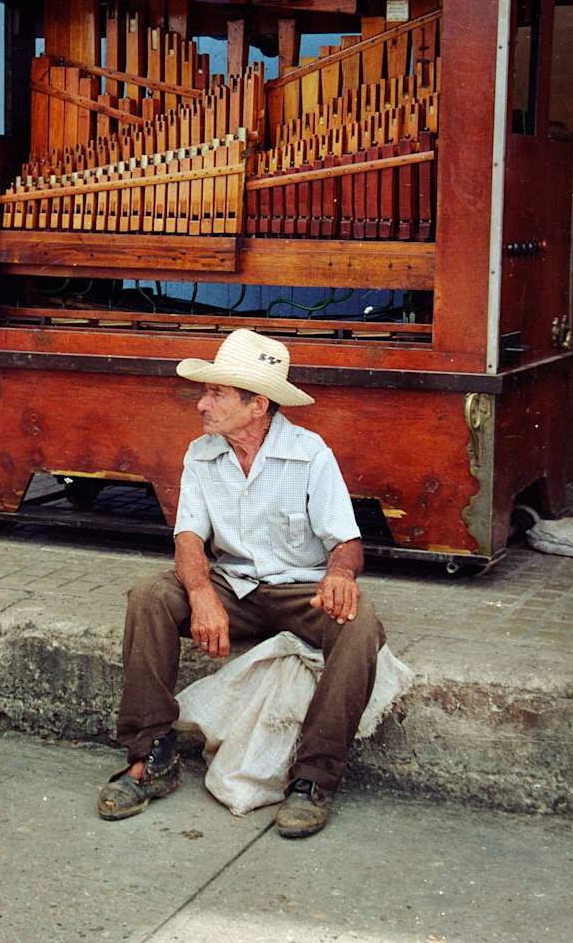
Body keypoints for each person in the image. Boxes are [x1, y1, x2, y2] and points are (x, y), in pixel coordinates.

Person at [97, 328, 385, 838]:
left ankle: (314, 779)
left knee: (361, 625)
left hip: (300, 590)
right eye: (205, 392)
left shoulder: (309, 452)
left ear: (258, 405)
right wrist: (202, 592)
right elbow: (189, 539)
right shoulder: (202, 453)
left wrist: (340, 573)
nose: (202, 405)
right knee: (150, 596)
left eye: (216, 394)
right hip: (235, 587)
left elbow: (347, 542)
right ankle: (149, 755)